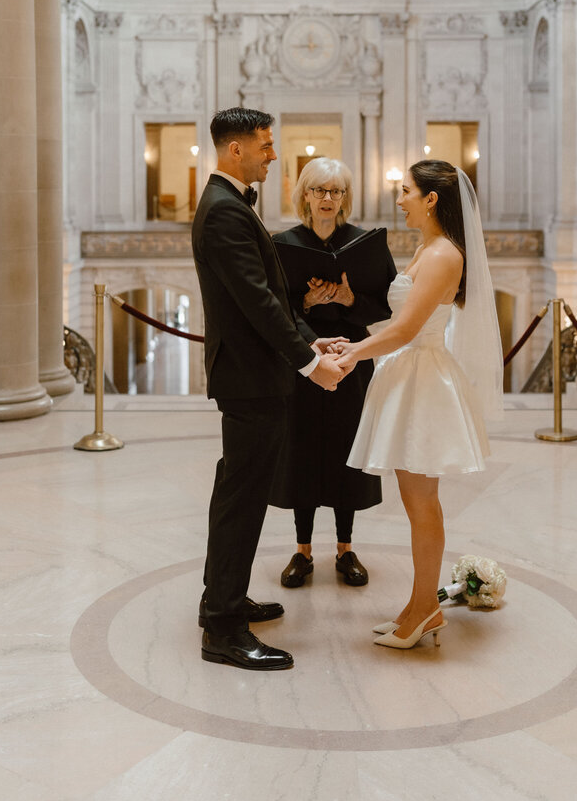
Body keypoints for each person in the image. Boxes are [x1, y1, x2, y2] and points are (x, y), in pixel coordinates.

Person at [192, 108, 346, 671]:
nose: (274, 155)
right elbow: (257, 303)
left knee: (238, 491)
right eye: (265, 146)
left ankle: (223, 597)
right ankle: (224, 629)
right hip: (251, 380)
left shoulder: (230, 204)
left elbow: (274, 295)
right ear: (235, 150)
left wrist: (315, 339)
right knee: (242, 500)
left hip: (255, 375)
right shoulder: (223, 212)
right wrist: (310, 364)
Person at [335, 160, 503, 650]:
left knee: (422, 504)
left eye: (406, 191)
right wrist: (348, 342)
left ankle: (426, 609)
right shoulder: (426, 247)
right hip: (409, 371)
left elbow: (408, 330)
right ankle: (417, 605)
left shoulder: (445, 253)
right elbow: (399, 321)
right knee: (415, 502)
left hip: (425, 379)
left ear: (431, 199)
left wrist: (352, 353)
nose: (399, 198)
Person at [271, 158, 396, 589]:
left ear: (345, 198)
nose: (327, 199)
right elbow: (276, 305)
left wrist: (346, 299)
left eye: (336, 191)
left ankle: (345, 548)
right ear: (304, 194)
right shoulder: (282, 243)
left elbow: (384, 305)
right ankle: (302, 550)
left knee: (347, 447)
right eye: (319, 190)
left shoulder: (365, 243)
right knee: (302, 447)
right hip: (303, 358)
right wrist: (305, 312)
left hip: (352, 355)